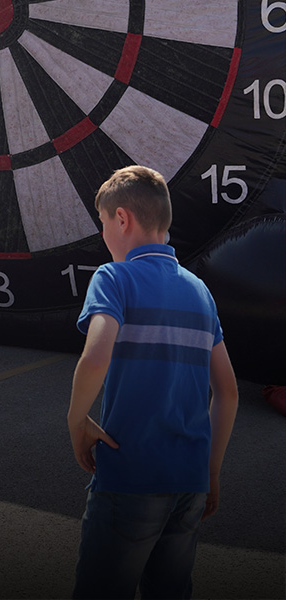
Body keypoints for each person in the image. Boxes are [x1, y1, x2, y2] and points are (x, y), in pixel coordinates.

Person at [67, 165, 239, 600]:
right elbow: (229, 393)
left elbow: (96, 355)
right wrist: (211, 470)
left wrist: (76, 419)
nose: (104, 235)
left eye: (103, 224)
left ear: (121, 219)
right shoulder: (200, 291)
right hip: (190, 482)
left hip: (131, 478)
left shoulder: (113, 278)